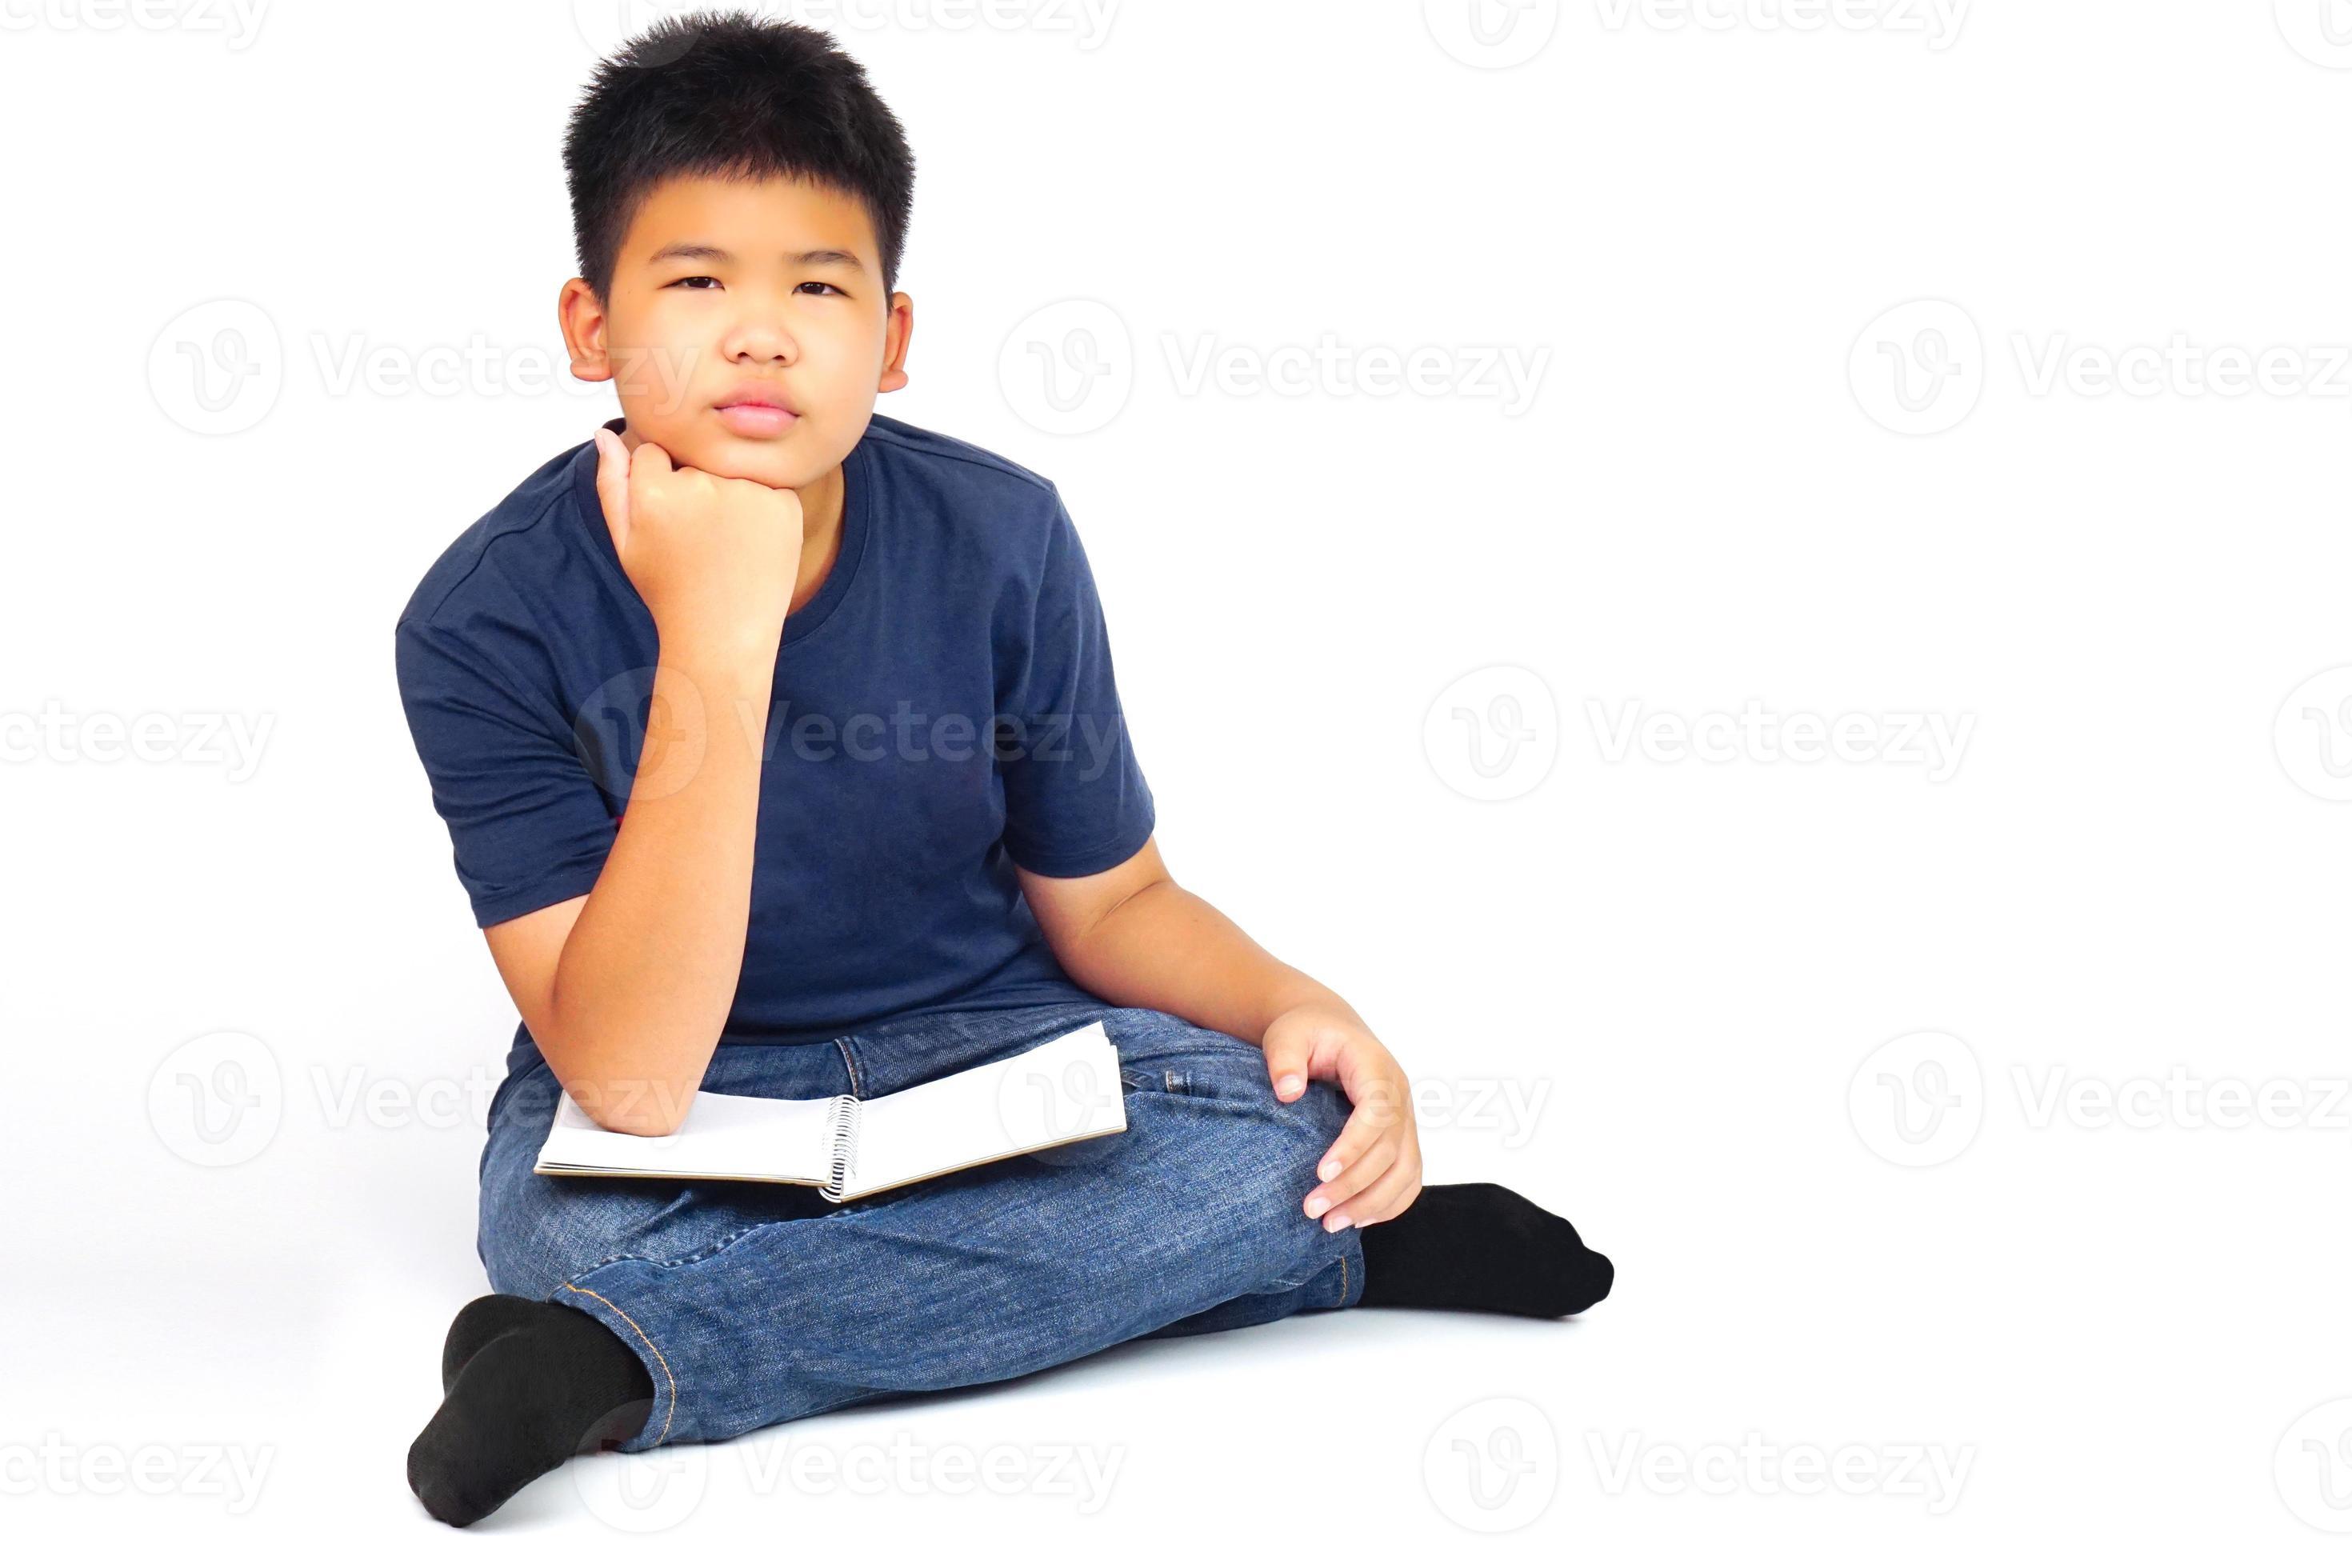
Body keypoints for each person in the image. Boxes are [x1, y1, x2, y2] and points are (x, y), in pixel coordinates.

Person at [392, 9, 1611, 1528]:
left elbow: (1115, 904)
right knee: (558, 1239)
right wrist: (719, 631)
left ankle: (625, 1363)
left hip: (984, 1051)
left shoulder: (1002, 533)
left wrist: (1307, 1005)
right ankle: (1307, 1263)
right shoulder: (481, 614)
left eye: (818, 289)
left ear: (893, 340)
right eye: (697, 283)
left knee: (1277, 1135)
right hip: (689, 1099)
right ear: (592, 327)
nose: (761, 335)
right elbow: (629, 1081)